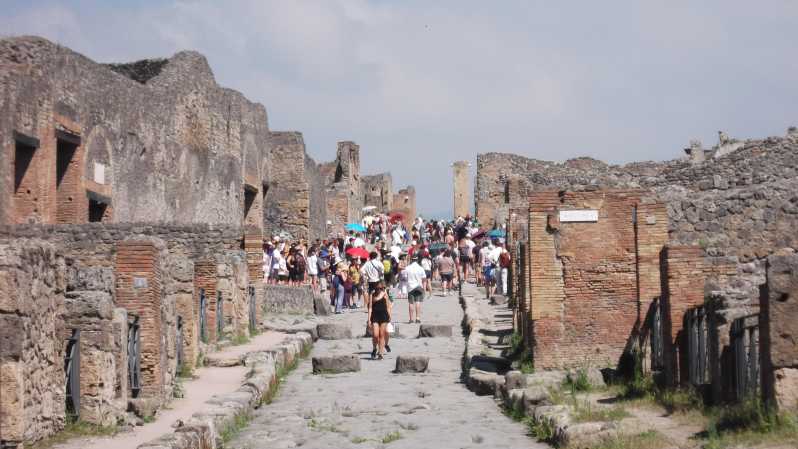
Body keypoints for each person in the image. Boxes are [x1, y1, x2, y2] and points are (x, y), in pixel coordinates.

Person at [367, 281, 392, 360]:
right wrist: (368, 319)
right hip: (375, 316)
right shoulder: (372, 295)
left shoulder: (385, 294)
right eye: (378, 288)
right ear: (375, 288)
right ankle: (374, 348)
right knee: (375, 334)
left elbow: (388, 306)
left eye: (381, 288)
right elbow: (370, 307)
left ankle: (381, 353)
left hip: (384, 316)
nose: (379, 290)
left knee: (382, 334)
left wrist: (390, 315)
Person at [404, 255, 427, 323]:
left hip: (410, 287)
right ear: (417, 260)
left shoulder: (407, 268)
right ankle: (418, 318)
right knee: (418, 302)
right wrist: (424, 288)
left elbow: (405, 278)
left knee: (411, 303)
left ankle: (411, 319)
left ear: (411, 259)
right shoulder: (420, 268)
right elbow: (424, 279)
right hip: (419, 286)